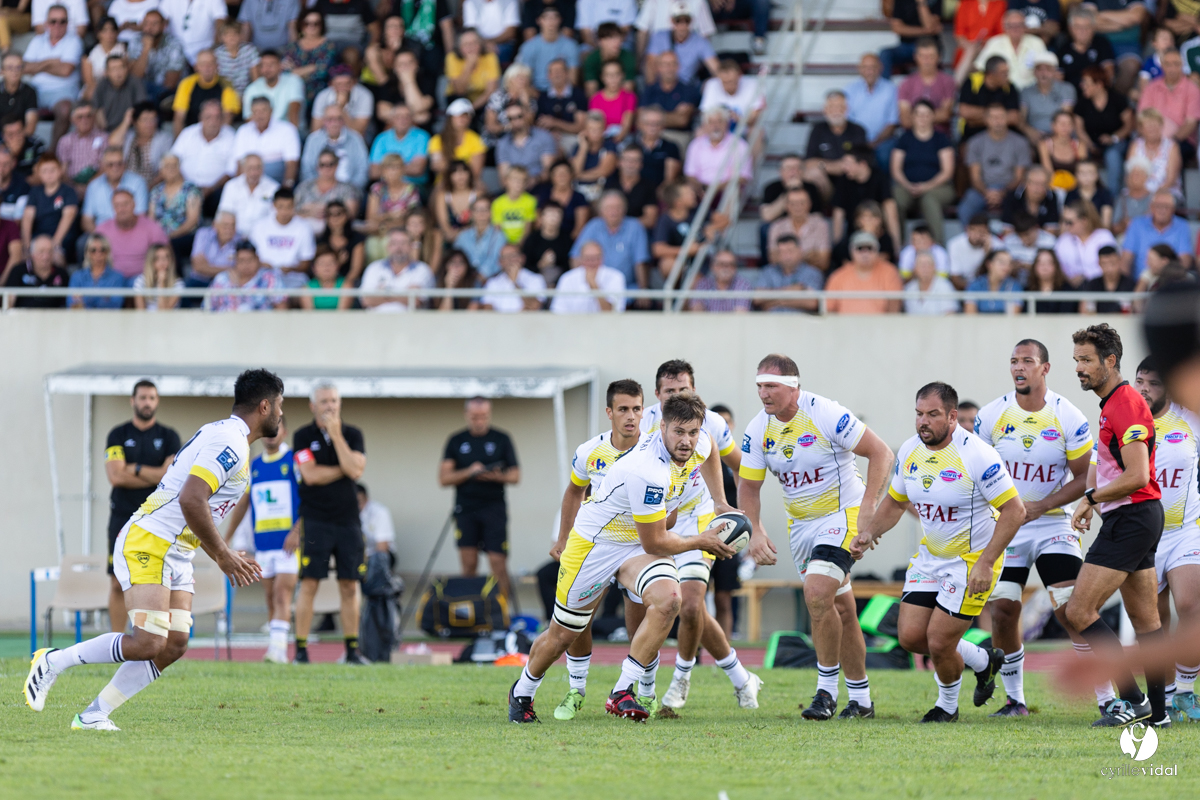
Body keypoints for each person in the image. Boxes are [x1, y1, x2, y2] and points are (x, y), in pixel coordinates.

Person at [24, 370, 279, 731]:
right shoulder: (232, 442)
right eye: (280, 405)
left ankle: (93, 714)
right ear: (265, 405)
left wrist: (218, 551)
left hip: (177, 549)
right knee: (147, 642)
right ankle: (54, 660)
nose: (282, 414)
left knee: (174, 644)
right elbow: (193, 498)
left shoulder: (225, 434)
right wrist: (222, 555)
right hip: (150, 539)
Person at [507, 392, 735, 724]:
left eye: (692, 432)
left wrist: (721, 502)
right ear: (661, 428)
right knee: (564, 634)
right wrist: (701, 541)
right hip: (595, 545)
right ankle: (522, 691)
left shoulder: (699, 443)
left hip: (635, 546)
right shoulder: (647, 471)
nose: (687, 441)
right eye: (678, 432)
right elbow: (656, 541)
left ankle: (621, 691)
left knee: (670, 600)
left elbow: (712, 449)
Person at [852, 382, 1022, 723]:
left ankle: (946, 707)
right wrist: (868, 532)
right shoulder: (911, 451)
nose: (922, 422)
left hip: (971, 562)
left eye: (932, 415)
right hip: (930, 558)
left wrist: (986, 563)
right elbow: (896, 502)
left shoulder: (977, 454)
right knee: (911, 638)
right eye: (918, 414)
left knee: (940, 642)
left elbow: (1015, 511)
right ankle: (983, 661)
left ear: (952, 416)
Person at [741, 354, 895, 719]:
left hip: (842, 516)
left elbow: (881, 453)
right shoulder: (757, 429)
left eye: (771, 386)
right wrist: (756, 531)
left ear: (794, 387)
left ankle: (824, 694)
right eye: (759, 386)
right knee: (840, 607)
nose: (763, 393)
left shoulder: (825, 413)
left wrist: (869, 507)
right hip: (802, 527)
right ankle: (861, 699)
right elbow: (748, 488)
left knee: (816, 593)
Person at [973, 341, 1102, 716]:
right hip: (1008, 528)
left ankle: (1108, 698)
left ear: (1045, 369)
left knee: (1070, 608)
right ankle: (1016, 700)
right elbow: (977, 473)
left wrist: (1043, 505)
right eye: (1014, 361)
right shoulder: (991, 415)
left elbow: (1085, 477)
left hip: (1052, 524)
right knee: (1002, 611)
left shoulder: (1068, 415)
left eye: (1027, 361)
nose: (1019, 367)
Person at [635, 362, 757, 715]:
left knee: (690, 605)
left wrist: (728, 504)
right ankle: (740, 677)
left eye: (684, 390)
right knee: (643, 610)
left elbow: (737, 462)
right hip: (656, 520)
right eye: (670, 392)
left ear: (694, 389)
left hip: (699, 519)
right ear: (658, 396)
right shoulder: (643, 423)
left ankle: (680, 678)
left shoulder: (712, 423)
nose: (678, 396)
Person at [1065, 324, 1168, 727]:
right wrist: (1098, 499)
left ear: (1111, 361)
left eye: (1086, 359)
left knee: (1078, 611)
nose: (1079, 368)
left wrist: (1090, 498)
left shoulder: (1124, 404)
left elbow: (1138, 474)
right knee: (1147, 621)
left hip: (1132, 518)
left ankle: (1132, 699)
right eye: (1076, 360)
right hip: (1139, 517)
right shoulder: (1113, 402)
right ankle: (1157, 713)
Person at [547, 379, 645, 719]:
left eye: (636, 409)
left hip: (637, 545)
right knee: (578, 621)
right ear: (609, 412)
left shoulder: (653, 450)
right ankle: (576, 690)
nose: (631, 417)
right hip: (597, 546)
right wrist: (563, 538)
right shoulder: (590, 451)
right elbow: (574, 492)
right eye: (623, 409)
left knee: (642, 618)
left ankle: (636, 690)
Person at [1134, 359, 1200, 719]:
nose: (1144, 389)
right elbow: (1103, 477)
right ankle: (1169, 694)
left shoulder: (1190, 419)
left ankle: (1188, 690)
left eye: (1154, 383)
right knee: (1155, 619)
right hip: (1144, 534)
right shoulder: (1124, 421)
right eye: (1140, 381)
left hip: (1186, 529)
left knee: (1191, 605)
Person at [291, 383, 369, 666]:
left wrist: (336, 436)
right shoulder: (302, 435)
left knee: (350, 585)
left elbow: (357, 470)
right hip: (315, 520)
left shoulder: (352, 434)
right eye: (324, 401)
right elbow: (310, 475)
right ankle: (300, 650)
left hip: (348, 521)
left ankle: (352, 650)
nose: (330, 406)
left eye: (334, 400)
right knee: (310, 582)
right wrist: (345, 468)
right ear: (313, 406)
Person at [102, 381, 180, 633]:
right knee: (117, 582)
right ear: (132, 401)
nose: (147, 402)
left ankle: (149, 641)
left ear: (157, 402)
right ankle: (115, 641)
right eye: (143, 397)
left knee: (155, 582)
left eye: (152, 398)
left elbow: (170, 477)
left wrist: (133, 468)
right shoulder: (117, 435)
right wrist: (155, 473)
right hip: (122, 517)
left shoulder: (169, 437)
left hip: (157, 518)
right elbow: (115, 476)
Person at [221, 416, 299, 664]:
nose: (271, 434)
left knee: (281, 595)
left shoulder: (294, 462)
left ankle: (278, 651)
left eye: (276, 429)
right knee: (270, 597)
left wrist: (298, 530)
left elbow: (310, 499)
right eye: (267, 430)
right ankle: (277, 646)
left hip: (288, 545)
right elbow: (244, 503)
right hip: (263, 544)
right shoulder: (253, 465)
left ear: (285, 432)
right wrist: (228, 536)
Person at [439, 397, 520, 602]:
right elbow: (444, 478)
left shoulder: (501, 438)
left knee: (498, 561)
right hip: (465, 509)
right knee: (468, 564)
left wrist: (494, 476)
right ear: (467, 415)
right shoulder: (456, 440)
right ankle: (471, 612)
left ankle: (503, 613)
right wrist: (470, 472)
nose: (479, 420)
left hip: (494, 508)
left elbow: (515, 475)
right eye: (475, 416)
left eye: (483, 416)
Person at [891, 100, 955, 244]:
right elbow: (896, 169)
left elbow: (947, 172)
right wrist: (907, 185)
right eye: (919, 114)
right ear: (912, 116)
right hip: (907, 186)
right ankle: (897, 247)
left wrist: (925, 186)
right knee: (895, 200)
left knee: (929, 199)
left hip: (939, 187)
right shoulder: (904, 138)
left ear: (933, 117)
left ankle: (937, 247)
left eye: (926, 114)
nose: (922, 118)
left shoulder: (942, 139)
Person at [959, 104, 1032, 224]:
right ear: (986, 120)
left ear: (1007, 119)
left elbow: (1019, 177)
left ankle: (1014, 241)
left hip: (1011, 189)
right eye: (993, 117)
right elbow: (975, 178)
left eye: (1001, 117)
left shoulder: (1020, 142)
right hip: (982, 189)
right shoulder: (975, 143)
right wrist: (987, 192)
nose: (997, 121)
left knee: (1022, 208)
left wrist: (1002, 193)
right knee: (965, 209)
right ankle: (973, 239)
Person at [22, 4, 82, 144]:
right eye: (53, 21)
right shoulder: (37, 40)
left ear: (68, 23)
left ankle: (53, 154)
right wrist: (50, 62)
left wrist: (38, 66)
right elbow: (24, 67)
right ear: (46, 23)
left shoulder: (74, 41)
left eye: (63, 21)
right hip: (35, 90)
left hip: (62, 92)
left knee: (65, 109)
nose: (57, 25)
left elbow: (65, 70)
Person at [571, 191, 649, 290]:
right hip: (594, 287)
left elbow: (640, 261)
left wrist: (643, 289)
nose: (614, 211)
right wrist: (580, 286)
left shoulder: (635, 227)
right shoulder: (593, 226)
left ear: (624, 209)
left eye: (618, 207)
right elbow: (576, 257)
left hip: (626, 288)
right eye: (609, 208)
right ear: (601, 211)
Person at [171, 100, 236, 218]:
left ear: (222, 119)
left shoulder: (231, 136)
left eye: (217, 117)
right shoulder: (188, 133)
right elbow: (173, 161)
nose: (213, 121)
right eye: (208, 117)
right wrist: (187, 186)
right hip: (185, 187)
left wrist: (210, 189)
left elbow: (231, 171)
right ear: (200, 117)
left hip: (215, 190)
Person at [95, 188, 169, 280]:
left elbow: (166, 257)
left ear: (134, 204)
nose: (122, 209)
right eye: (117, 205)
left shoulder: (152, 228)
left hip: (143, 279)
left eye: (125, 204)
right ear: (113, 207)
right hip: (111, 280)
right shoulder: (102, 230)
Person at [824, 230, 902, 315]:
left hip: (880, 326)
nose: (865, 253)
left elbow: (894, 307)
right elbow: (829, 309)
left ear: (877, 251)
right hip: (846, 326)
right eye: (860, 248)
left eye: (869, 248)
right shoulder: (838, 276)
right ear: (851, 252)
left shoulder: (889, 272)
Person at [1122, 190, 1195, 280]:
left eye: (1166, 207)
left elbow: (1185, 260)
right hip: (1140, 282)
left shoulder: (1182, 226)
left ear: (1173, 209)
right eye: (1158, 206)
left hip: (1170, 281)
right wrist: (1126, 286)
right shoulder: (1137, 224)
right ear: (1151, 207)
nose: (1162, 210)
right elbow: (1126, 259)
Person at [229, 96, 301, 187]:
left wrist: (285, 190)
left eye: (264, 110)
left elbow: (292, 164)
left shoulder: (287, 129)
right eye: (256, 111)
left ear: (271, 111)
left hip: (277, 183)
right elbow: (239, 163)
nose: (260, 115)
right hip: (249, 184)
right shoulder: (243, 131)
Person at [250, 188, 315, 289]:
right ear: (273, 205)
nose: (285, 211)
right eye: (281, 207)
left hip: (293, 278)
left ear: (294, 206)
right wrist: (261, 265)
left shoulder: (304, 227)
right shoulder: (259, 226)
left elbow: (306, 262)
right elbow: (250, 257)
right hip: (262, 276)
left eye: (289, 207)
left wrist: (291, 269)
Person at [360, 228, 434, 312]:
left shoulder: (422, 269)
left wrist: (383, 294)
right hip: (375, 322)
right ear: (388, 246)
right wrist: (404, 295)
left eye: (403, 243)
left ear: (411, 246)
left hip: (411, 323)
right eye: (394, 243)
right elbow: (367, 300)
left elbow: (417, 301)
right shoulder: (374, 268)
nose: (398, 248)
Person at [171, 50, 240, 137]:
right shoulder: (186, 84)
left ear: (217, 66)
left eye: (211, 63)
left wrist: (216, 140)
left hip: (218, 135)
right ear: (196, 67)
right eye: (203, 64)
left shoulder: (227, 84)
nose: (207, 67)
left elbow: (227, 117)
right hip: (191, 134)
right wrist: (181, 141)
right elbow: (179, 118)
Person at [81, 145, 149, 234]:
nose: (115, 168)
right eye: (110, 164)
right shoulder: (93, 186)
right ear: (103, 166)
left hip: (130, 231)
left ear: (125, 164)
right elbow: (87, 220)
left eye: (119, 164)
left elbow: (141, 215)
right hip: (100, 233)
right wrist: (99, 237)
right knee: (82, 243)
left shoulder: (138, 182)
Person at [645, 4, 717, 86]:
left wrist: (709, 85)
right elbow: (650, 64)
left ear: (691, 21)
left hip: (687, 88)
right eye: (678, 21)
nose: (682, 25)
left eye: (686, 21)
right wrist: (651, 90)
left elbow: (716, 68)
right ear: (672, 21)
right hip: (663, 87)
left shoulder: (700, 41)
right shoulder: (659, 37)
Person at [973, 10, 1047, 90]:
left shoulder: (1037, 43)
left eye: (1019, 25)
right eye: (1011, 25)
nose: (1016, 29)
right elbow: (981, 68)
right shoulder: (994, 43)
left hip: (1031, 92)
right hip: (1002, 91)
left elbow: (1047, 69)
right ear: (1005, 27)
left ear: (1025, 27)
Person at [22, 155, 77, 262]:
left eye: (52, 170)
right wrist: (27, 245)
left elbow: (68, 216)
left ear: (60, 171)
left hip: (62, 239)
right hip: (38, 237)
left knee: (56, 258)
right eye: (45, 171)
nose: (49, 174)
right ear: (39, 174)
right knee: (24, 259)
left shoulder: (68, 191)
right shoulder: (35, 192)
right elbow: (27, 218)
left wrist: (53, 244)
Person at [149, 153, 202, 265]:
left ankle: (175, 279)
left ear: (179, 168)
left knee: (171, 245)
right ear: (161, 170)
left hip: (185, 235)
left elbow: (192, 221)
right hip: (160, 236)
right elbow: (151, 220)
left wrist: (169, 236)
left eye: (174, 166)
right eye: (167, 166)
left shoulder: (190, 189)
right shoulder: (156, 191)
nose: (171, 169)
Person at [282, 11, 340, 112]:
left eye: (316, 23)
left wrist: (296, 71)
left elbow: (322, 72)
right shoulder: (292, 47)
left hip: (320, 92)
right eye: (307, 23)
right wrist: (311, 67)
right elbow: (286, 72)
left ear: (322, 25)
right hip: (294, 91)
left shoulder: (329, 46)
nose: (311, 26)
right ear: (301, 25)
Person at [206, 240, 285, 312]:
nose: (246, 265)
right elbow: (208, 308)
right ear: (235, 261)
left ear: (257, 259)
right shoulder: (221, 279)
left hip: (261, 325)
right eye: (241, 260)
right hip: (224, 324)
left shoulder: (270, 279)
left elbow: (282, 308)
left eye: (250, 260)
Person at [127, 10, 186, 104]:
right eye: (146, 23)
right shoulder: (136, 41)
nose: (150, 27)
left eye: (155, 23)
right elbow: (135, 77)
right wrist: (145, 50)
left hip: (165, 92)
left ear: (163, 26)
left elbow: (171, 83)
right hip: (142, 90)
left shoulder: (174, 44)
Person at [550, 240, 626, 313]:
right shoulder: (567, 278)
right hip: (573, 324)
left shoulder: (616, 277)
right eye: (588, 258)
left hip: (605, 325)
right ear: (581, 259)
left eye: (596, 258)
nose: (592, 262)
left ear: (602, 258)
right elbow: (558, 311)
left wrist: (594, 286)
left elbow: (612, 314)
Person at [1054, 199, 1118, 286]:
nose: (1066, 225)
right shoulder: (1063, 240)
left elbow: (1112, 265)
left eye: (1069, 222)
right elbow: (1056, 268)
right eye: (1064, 221)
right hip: (1070, 289)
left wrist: (1086, 277)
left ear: (1084, 221)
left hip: (1099, 289)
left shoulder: (1104, 237)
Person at [294, 149, 361, 230]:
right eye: (322, 165)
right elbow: (289, 213)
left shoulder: (348, 189)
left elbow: (351, 214)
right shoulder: (303, 187)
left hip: (334, 233)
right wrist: (309, 213)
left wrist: (327, 211)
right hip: (304, 232)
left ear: (337, 165)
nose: (327, 168)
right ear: (317, 167)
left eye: (330, 164)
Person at [111, 101, 173, 188]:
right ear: (135, 122)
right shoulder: (129, 136)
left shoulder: (164, 139)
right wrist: (126, 121)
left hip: (151, 187)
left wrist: (146, 188)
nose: (150, 124)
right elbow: (113, 143)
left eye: (153, 119)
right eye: (145, 120)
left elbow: (165, 170)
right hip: (124, 185)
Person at [516, 6, 578, 91]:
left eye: (555, 17)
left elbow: (573, 79)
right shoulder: (528, 47)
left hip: (562, 92)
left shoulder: (571, 45)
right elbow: (525, 77)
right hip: (536, 92)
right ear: (539, 20)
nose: (551, 21)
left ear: (560, 20)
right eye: (546, 18)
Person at [496, 100, 559, 184]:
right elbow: (503, 178)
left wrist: (533, 180)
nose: (515, 121)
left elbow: (548, 171)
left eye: (519, 116)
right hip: (513, 188)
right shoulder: (502, 143)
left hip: (539, 184)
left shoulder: (544, 136)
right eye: (510, 119)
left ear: (527, 115)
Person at [217, 154, 278, 239]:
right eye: (250, 168)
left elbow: (274, 218)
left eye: (258, 168)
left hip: (262, 237)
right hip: (234, 236)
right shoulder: (231, 186)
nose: (254, 172)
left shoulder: (273, 188)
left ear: (263, 168)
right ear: (243, 169)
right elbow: (224, 213)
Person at [756, 236, 822, 314]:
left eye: (790, 251)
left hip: (802, 323)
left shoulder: (812, 273)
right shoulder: (768, 272)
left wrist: (774, 301)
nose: (786, 256)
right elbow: (757, 298)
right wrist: (792, 290)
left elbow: (812, 303)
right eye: (782, 252)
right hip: (772, 322)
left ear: (800, 251)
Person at [1128, 109, 1183, 200]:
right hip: (1140, 192)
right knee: (1124, 200)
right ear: (1141, 129)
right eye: (1148, 125)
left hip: (1166, 191)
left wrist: (1151, 194)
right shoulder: (1135, 145)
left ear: (1161, 126)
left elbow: (1171, 180)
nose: (1152, 128)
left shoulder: (1172, 147)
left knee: (1157, 202)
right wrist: (1141, 192)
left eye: (1155, 124)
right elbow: (1130, 176)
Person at [242, 49, 305, 130]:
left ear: (280, 66)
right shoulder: (251, 89)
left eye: (271, 65)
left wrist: (290, 136)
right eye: (263, 65)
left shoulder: (293, 81)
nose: (267, 69)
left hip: (289, 130)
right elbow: (249, 120)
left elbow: (293, 114)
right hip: (263, 132)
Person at [368, 104, 430, 185]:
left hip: (414, 185)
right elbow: (374, 172)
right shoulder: (381, 138)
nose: (402, 120)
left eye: (407, 116)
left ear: (412, 119)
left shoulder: (422, 136)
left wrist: (388, 169)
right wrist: (405, 168)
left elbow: (417, 169)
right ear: (391, 119)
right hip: (386, 186)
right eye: (398, 117)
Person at [429, 98, 487, 185]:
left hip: (468, 184)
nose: (463, 118)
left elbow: (476, 171)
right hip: (444, 183)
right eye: (459, 115)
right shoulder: (437, 139)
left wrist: (449, 167)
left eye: (466, 115)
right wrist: (462, 170)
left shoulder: (476, 140)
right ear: (450, 117)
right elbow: (437, 165)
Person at [1020, 52, 1076, 141]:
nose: (1043, 73)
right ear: (1034, 72)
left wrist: (1052, 138)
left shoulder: (1066, 89)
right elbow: (1021, 119)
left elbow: (1066, 117)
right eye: (1039, 69)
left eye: (1048, 69)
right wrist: (1029, 131)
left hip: (1061, 135)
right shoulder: (1026, 91)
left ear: (1054, 72)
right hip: (1035, 137)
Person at [880, 0, 943, 78]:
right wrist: (925, 31)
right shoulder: (900, 1)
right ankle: (884, 89)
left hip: (927, 46)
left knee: (927, 54)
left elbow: (929, 25)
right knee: (885, 54)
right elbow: (897, 28)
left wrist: (921, 3)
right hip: (906, 46)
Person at [2, 235, 66, 309]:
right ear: (32, 253)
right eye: (41, 252)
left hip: (55, 318)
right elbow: (8, 301)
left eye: (50, 251)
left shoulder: (61, 274)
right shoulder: (18, 271)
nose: (46, 256)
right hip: (22, 317)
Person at [446, 28, 500, 113]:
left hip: (481, 101)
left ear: (481, 44)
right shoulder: (452, 58)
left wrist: (470, 110)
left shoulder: (489, 57)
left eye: (474, 43)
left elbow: (491, 90)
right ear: (459, 47)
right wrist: (469, 65)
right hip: (459, 98)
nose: (471, 47)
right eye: (466, 44)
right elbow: (459, 90)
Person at [536, 57, 587, 146]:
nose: (557, 74)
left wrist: (555, 123)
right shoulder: (543, 97)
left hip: (573, 138)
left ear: (567, 73)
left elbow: (580, 127)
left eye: (560, 71)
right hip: (549, 137)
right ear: (548, 76)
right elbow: (539, 125)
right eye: (553, 72)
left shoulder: (578, 95)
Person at [56, 102, 107, 191]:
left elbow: (105, 167)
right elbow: (63, 171)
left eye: (89, 116)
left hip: (98, 186)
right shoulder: (65, 141)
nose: (85, 120)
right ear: (72, 119)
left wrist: (89, 185)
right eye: (80, 117)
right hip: (71, 188)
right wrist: (75, 187)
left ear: (94, 117)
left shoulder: (104, 138)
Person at [311, 66, 373, 137]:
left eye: (347, 84)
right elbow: (315, 131)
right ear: (331, 84)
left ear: (354, 83)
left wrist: (340, 107)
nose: (343, 88)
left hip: (358, 139)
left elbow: (358, 132)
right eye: (339, 84)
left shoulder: (364, 95)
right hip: (328, 137)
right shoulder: (322, 96)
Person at [481, 243, 545, 312]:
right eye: (504, 257)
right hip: (500, 321)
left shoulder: (535, 279)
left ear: (522, 258)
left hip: (525, 321)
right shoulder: (492, 282)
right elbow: (487, 309)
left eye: (513, 256)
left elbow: (535, 306)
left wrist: (515, 283)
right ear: (500, 262)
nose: (509, 260)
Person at [159, 0, 226, 67]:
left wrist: (213, 47)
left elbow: (220, 21)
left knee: (207, 65)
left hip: (205, 48)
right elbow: (161, 20)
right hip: (176, 48)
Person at [94, 54, 146, 134]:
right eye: (113, 69)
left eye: (121, 67)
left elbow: (142, 108)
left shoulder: (135, 82)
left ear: (127, 69)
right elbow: (95, 108)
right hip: (105, 130)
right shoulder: (102, 84)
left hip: (131, 130)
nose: (118, 72)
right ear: (106, 72)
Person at [1002, 165, 1060, 233]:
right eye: (1035, 183)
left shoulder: (1051, 197)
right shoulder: (1012, 197)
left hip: (1043, 240)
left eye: (1043, 184)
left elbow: (1051, 230)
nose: (1038, 188)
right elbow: (1007, 229)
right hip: (1016, 239)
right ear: (1025, 183)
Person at [964, 249, 1023, 315]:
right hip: (979, 324)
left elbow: (1013, 317)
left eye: (1009, 263)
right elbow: (970, 316)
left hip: (1005, 325)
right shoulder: (975, 285)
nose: (1006, 267)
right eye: (1002, 262)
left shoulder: (1014, 286)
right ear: (989, 264)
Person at [1079, 245, 1136, 313]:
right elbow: (1085, 312)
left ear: (1119, 261)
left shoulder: (1130, 284)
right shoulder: (1092, 285)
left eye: (1112, 263)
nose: (1109, 269)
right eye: (1104, 264)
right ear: (1099, 264)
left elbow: (1133, 312)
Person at [904, 251, 959, 315]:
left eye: (928, 264)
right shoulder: (909, 288)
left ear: (934, 267)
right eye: (921, 264)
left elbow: (950, 315)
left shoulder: (945, 286)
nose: (924, 268)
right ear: (915, 268)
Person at [491, 166, 536, 245]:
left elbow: (527, 229)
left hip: (523, 244)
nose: (519, 183)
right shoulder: (497, 203)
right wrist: (506, 246)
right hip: (503, 244)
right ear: (506, 181)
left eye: (523, 180)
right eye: (515, 179)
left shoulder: (531, 201)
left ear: (526, 183)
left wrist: (520, 244)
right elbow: (497, 229)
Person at [132, 243, 184, 311]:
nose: (162, 262)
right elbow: (141, 313)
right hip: (147, 321)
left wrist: (161, 283)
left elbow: (164, 312)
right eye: (157, 258)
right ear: (151, 261)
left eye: (166, 257)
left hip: (170, 321)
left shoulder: (178, 283)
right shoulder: (140, 281)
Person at [214, 21, 260, 97]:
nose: (231, 37)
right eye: (227, 34)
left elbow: (256, 78)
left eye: (235, 34)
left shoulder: (249, 50)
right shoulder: (217, 54)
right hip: (226, 94)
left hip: (247, 92)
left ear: (240, 35)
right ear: (221, 37)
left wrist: (255, 93)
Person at [0, 54, 39, 139]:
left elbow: (31, 124)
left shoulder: (30, 92)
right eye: (10, 67)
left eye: (18, 67)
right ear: (2, 71)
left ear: (23, 70)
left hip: (21, 140)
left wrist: (17, 142)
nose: (15, 71)